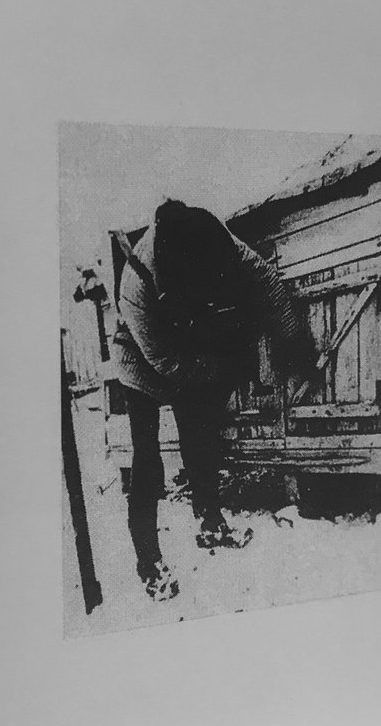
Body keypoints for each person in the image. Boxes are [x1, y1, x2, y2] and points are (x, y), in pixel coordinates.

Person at [112, 199, 307, 602]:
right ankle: (148, 562)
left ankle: (211, 522)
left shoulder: (217, 242)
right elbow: (164, 362)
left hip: (184, 346)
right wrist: (212, 370)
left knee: (199, 438)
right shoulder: (136, 283)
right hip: (142, 357)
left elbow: (265, 281)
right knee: (148, 459)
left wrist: (292, 340)